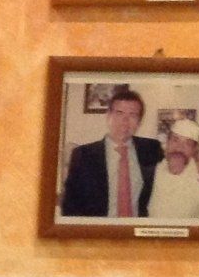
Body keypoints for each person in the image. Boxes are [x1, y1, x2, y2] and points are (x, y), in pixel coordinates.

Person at [60, 86, 162, 218]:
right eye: (119, 113)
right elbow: (70, 205)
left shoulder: (151, 148)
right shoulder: (83, 155)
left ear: (139, 122)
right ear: (108, 116)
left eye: (132, 115)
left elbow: (175, 166)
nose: (125, 121)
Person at [145, 118, 199, 220]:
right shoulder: (153, 168)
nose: (179, 147)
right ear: (167, 142)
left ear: (194, 149)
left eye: (187, 143)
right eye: (175, 140)